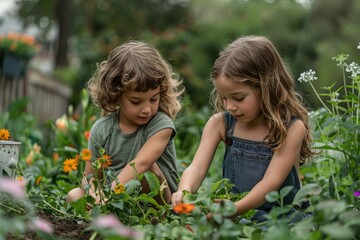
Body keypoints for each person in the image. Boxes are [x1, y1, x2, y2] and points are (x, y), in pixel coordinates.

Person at [172, 35, 314, 221]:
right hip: (237, 215)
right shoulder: (220, 124)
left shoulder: (292, 129)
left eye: (238, 98)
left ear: (267, 87)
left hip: (283, 219)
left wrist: (233, 209)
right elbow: (197, 168)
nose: (230, 106)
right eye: (224, 98)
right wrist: (184, 190)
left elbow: (271, 183)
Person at [67, 40, 184, 205]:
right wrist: (94, 195)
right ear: (115, 95)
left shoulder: (161, 125)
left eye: (153, 99)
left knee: (146, 172)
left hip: (157, 200)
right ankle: (111, 215)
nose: (147, 109)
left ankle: (143, 218)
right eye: (136, 101)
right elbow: (90, 178)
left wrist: (109, 195)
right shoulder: (101, 129)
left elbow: (142, 163)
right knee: (74, 195)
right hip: (115, 200)